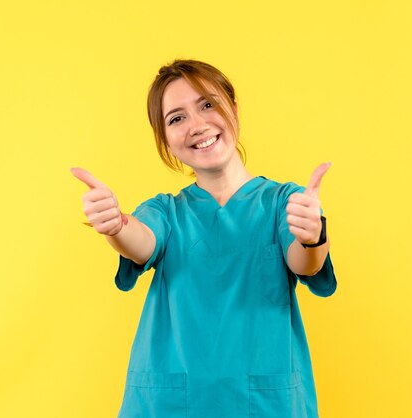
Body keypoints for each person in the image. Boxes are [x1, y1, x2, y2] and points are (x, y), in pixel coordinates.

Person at [71, 59, 337, 418]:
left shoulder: (282, 203)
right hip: (172, 404)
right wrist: (116, 225)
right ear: (164, 138)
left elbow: (304, 261)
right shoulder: (166, 211)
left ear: (234, 109)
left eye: (208, 104)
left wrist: (311, 236)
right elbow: (142, 241)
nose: (197, 125)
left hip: (263, 404)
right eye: (176, 118)